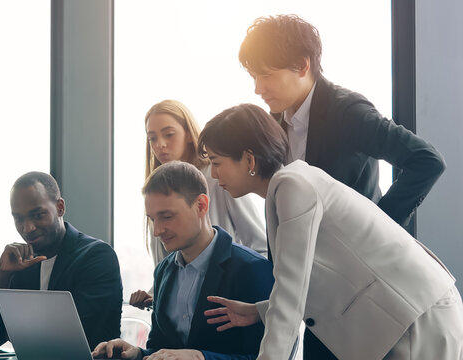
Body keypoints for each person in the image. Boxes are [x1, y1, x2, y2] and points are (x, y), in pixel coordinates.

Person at [238, 15, 446, 358]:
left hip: (370, 293)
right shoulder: (275, 125)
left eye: (266, 75)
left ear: (302, 65)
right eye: (253, 77)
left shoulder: (347, 111)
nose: (258, 88)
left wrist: (380, 227)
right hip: (321, 294)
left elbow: (426, 161)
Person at [198, 104, 462, 360]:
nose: (213, 173)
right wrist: (259, 311)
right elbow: (311, 280)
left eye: (217, 162)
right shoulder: (290, 186)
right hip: (403, 318)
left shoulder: (292, 186)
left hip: (415, 318)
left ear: (248, 159)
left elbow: (291, 291)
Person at [93, 161, 274, 360]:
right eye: (153, 219)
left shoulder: (251, 269)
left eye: (167, 216)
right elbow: (163, 351)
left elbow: (271, 356)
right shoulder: (163, 271)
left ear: (201, 206)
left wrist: (200, 357)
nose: (157, 231)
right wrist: (137, 353)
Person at [129, 99, 267, 309]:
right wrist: (155, 293)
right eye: (152, 138)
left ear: (188, 133)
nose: (160, 145)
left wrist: (246, 300)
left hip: (224, 303)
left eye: (169, 134)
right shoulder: (156, 192)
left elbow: (260, 247)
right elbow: (173, 266)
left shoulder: (218, 178)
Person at [0, 172, 123, 350]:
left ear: (60, 208)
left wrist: (18, 329)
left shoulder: (97, 256)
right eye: (19, 218)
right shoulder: (23, 264)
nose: (27, 228)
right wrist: (3, 276)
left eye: (37, 215)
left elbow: (80, 338)